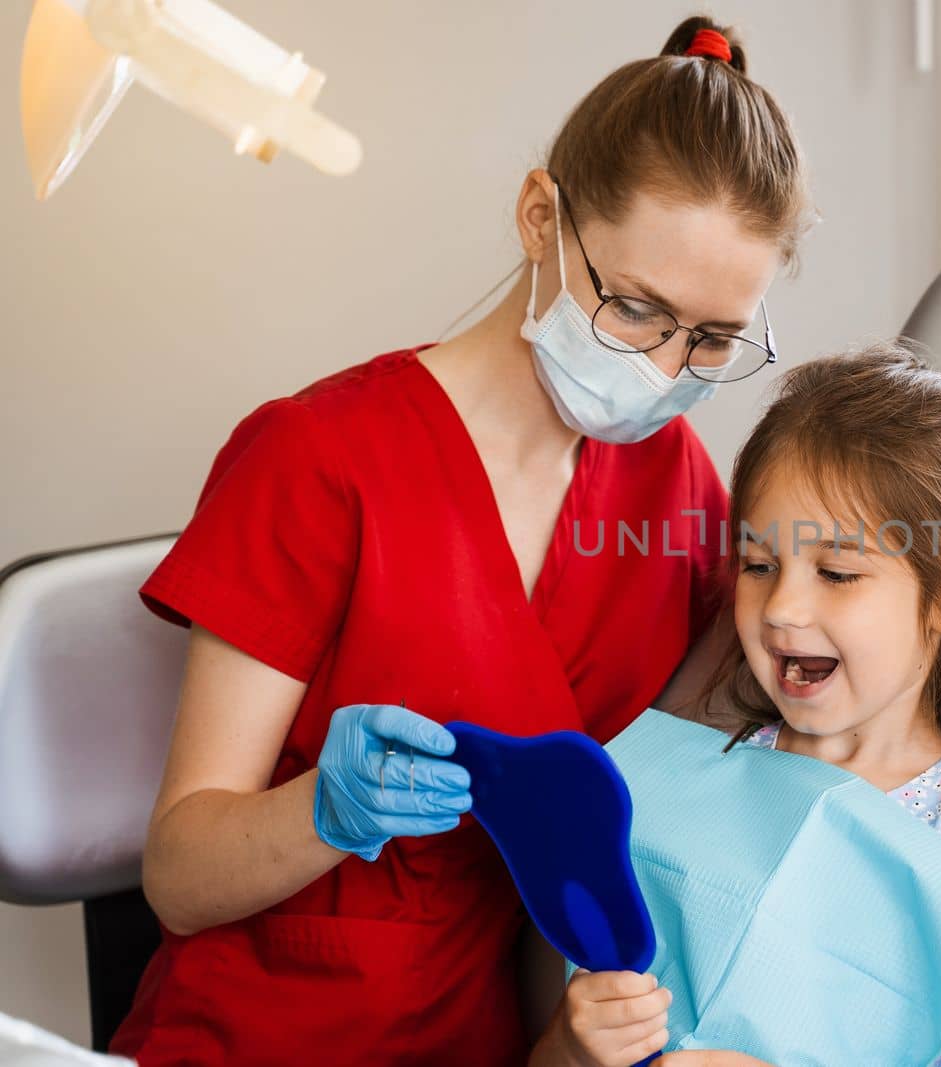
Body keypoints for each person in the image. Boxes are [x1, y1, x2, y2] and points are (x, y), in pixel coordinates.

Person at [110, 16, 809, 1067]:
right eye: (634, 309)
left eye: (710, 339)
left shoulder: (678, 488)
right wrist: (328, 810)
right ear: (540, 217)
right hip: (268, 1030)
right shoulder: (317, 459)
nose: (667, 370)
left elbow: (717, 767)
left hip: (503, 1036)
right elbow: (178, 873)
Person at [570, 342, 941, 1065]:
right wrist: (572, 1043)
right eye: (758, 564)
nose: (781, 608)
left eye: (837, 571)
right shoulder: (705, 776)